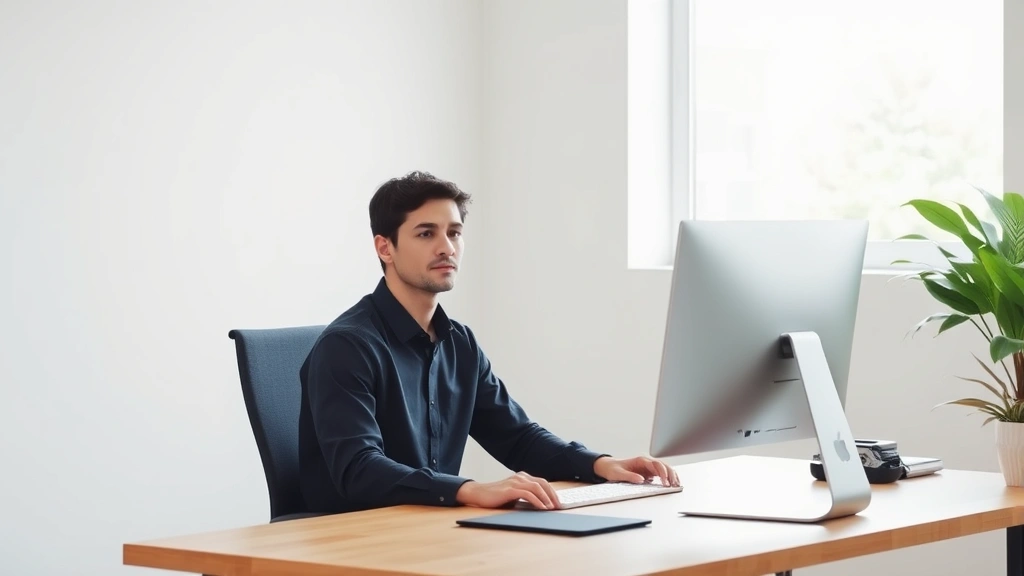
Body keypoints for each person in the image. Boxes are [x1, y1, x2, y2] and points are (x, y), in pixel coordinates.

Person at [297, 171, 680, 515]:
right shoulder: (347, 346)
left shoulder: (459, 343)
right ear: (385, 248)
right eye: (426, 233)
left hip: (427, 530)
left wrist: (600, 465)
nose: (446, 247)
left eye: (455, 232)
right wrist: (470, 489)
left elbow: (517, 438)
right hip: (353, 539)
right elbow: (358, 468)